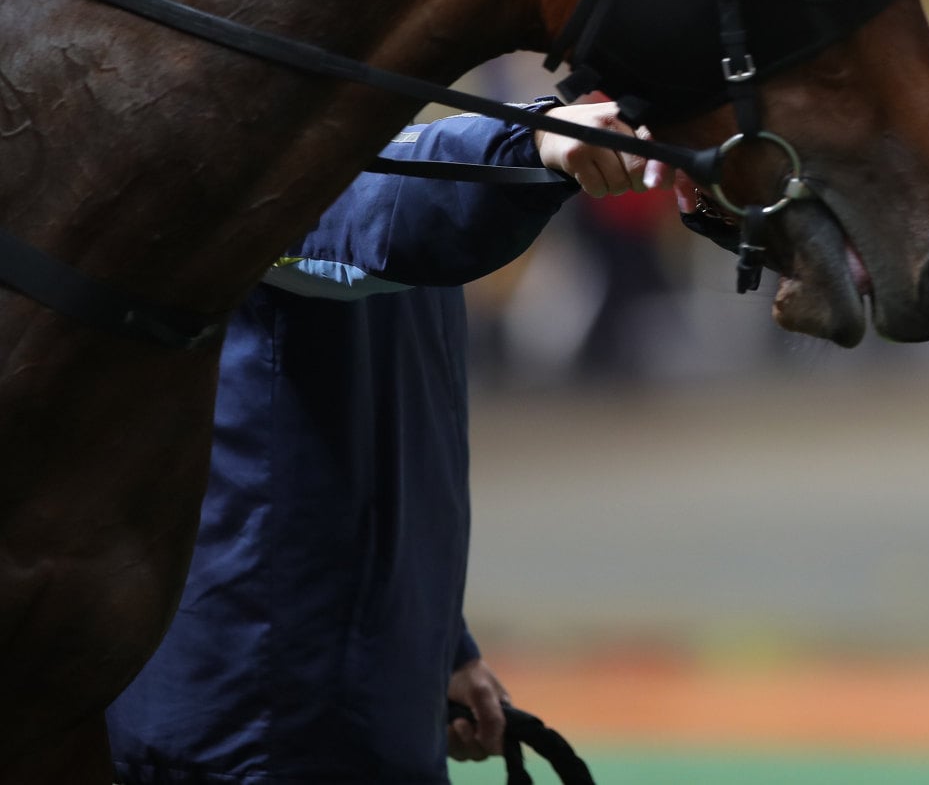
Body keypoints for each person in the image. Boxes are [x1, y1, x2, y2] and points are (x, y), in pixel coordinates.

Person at [106, 99, 662, 784]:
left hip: (354, 696)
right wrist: (530, 141)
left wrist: (443, 646)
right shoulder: (236, 165)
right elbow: (376, 205)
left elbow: (393, 444)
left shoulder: (348, 143)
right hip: (247, 719)